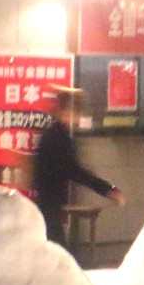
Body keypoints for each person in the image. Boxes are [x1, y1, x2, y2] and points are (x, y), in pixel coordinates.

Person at [30, 87, 124, 247]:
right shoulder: (59, 137)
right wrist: (108, 189)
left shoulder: (52, 133)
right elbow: (75, 171)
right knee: (58, 253)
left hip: (47, 203)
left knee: (53, 250)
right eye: (78, 111)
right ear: (69, 110)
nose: (79, 116)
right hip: (50, 204)